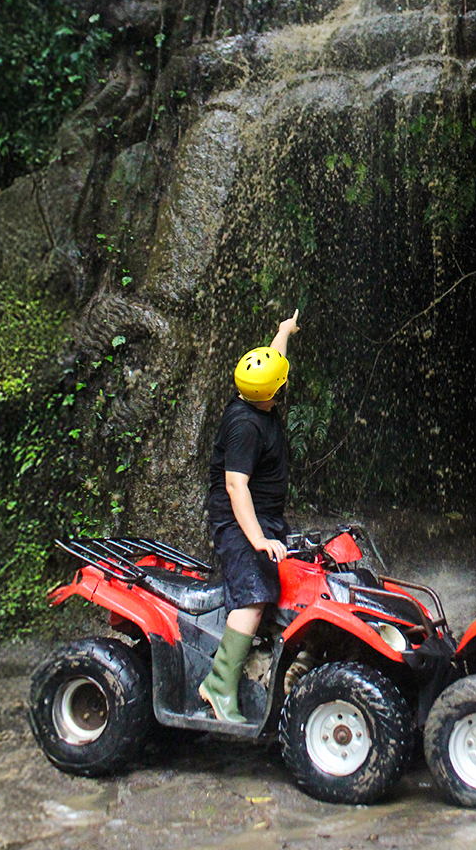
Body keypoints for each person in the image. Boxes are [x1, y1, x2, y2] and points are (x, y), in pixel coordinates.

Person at [198, 308, 300, 723]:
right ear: (269, 393)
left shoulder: (254, 394)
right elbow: (235, 486)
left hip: (264, 515)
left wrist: (283, 332)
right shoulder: (245, 426)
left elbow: (270, 366)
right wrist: (257, 539)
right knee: (254, 596)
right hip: (238, 519)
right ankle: (218, 685)